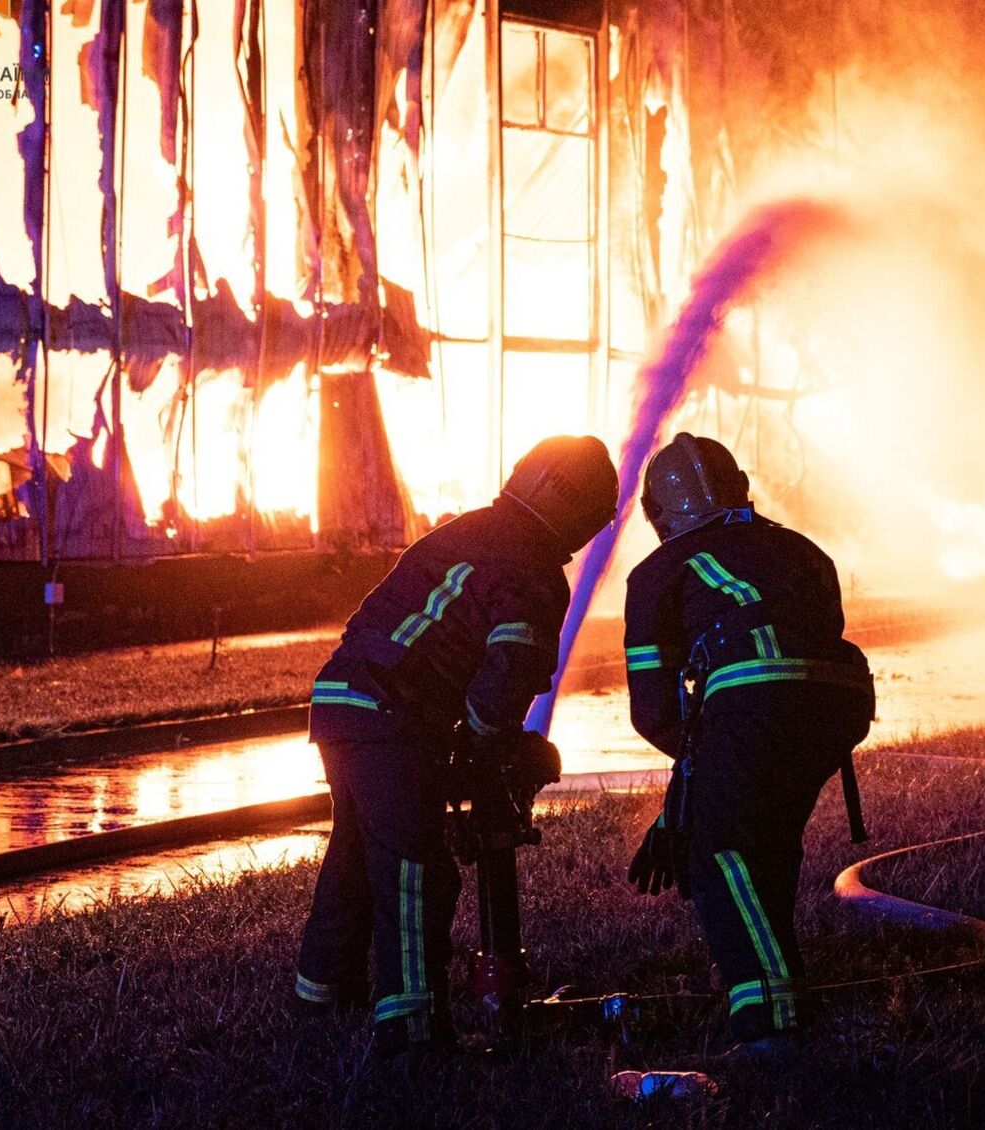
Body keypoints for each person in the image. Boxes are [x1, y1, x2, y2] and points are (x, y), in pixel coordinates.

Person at [295, 434, 617, 1056]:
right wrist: (489, 746)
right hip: (393, 717)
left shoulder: (466, 531)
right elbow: (507, 675)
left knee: (356, 854)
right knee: (416, 870)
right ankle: (413, 1030)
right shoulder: (533, 568)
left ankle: (322, 994)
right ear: (575, 510)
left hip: (342, 701)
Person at [622, 433, 873, 1054]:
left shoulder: (656, 573)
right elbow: (814, 650)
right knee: (769, 834)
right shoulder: (804, 549)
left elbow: (655, 713)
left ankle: (770, 1021)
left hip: (755, 698)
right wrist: (692, 794)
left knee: (721, 850)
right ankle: (773, 976)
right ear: (740, 487)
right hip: (841, 704)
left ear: (657, 513)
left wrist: (692, 801)